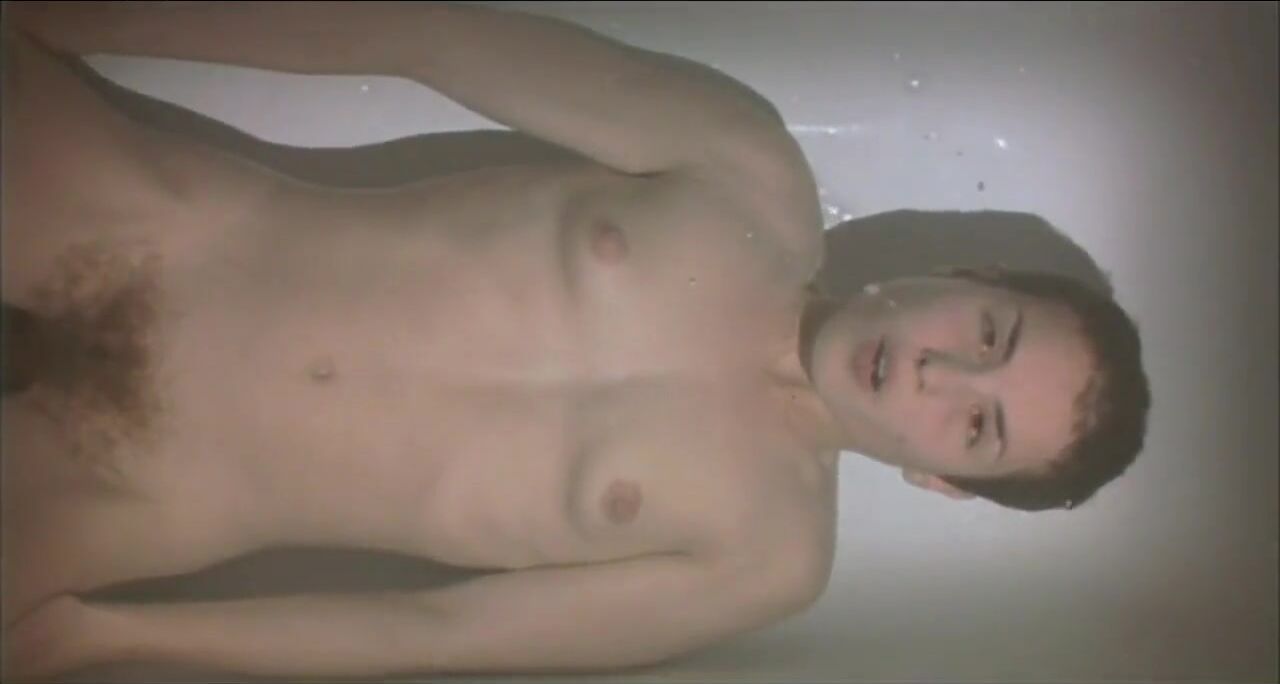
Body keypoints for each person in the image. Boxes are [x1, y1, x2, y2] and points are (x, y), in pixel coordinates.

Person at [0, 2, 1150, 680]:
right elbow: (424, 37)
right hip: (140, 226)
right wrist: (85, 18)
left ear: (941, 480)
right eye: (986, 333)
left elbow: (431, 634)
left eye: (975, 425)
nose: (937, 373)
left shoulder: (764, 561)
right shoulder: (746, 169)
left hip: (135, 496)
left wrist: (101, 639)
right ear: (964, 279)